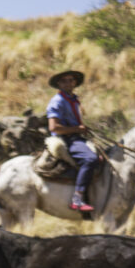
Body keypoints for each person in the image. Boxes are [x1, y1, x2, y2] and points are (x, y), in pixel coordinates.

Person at [46, 70, 99, 212]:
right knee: (90, 159)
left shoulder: (73, 99)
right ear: (59, 84)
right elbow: (54, 127)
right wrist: (77, 129)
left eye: (70, 80)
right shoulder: (58, 101)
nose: (68, 83)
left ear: (75, 82)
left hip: (76, 136)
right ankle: (77, 198)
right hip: (65, 138)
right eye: (64, 81)